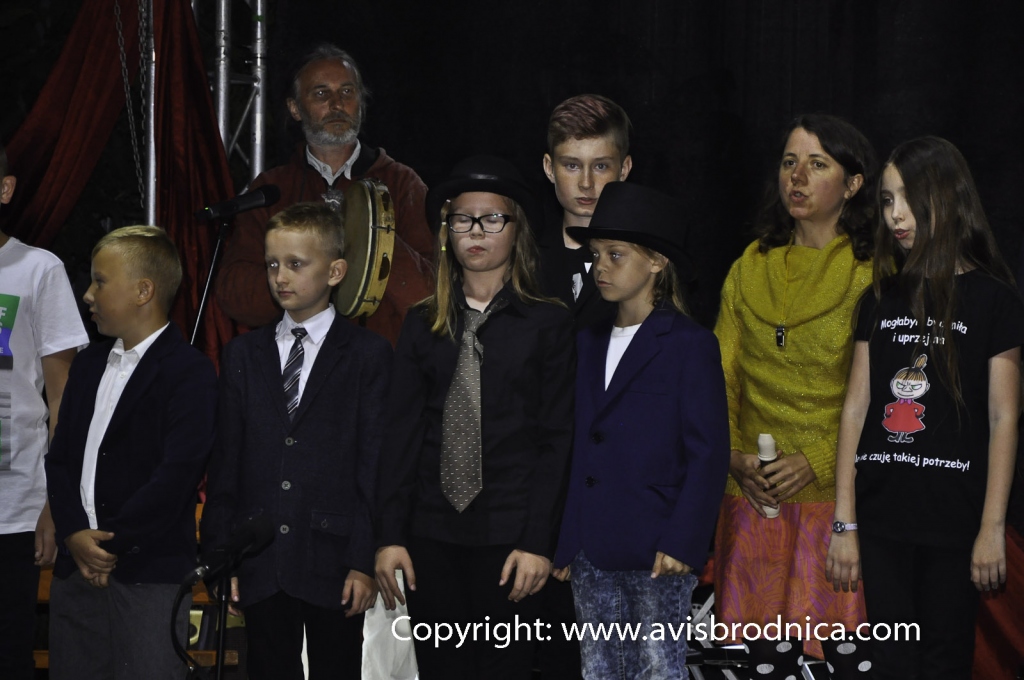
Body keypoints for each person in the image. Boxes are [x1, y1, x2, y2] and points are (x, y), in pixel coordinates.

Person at [826, 136, 1024, 679]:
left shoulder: (995, 301)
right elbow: (855, 410)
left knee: (944, 663)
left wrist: (991, 527)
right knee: (892, 662)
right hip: (882, 523)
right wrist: (845, 523)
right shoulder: (879, 299)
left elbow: (1005, 418)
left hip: (954, 526)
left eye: (908, 199)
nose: (895, 215)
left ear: (947, 197)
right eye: (888, 200)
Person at [374, 156, 575, 680]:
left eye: (492, 219)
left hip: (510, 539)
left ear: (517, 230)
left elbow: (556, 442)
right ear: (446, 233)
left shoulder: (548, 323)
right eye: (463, 219)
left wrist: (537, 543)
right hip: (431, 538)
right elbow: (400, 435)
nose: (477, 231)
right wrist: (390, 536)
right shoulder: (422, 323)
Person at [713, 114, 876, 679]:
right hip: (754, 501)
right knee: (762, 664)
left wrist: (819, 459)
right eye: (788, 163)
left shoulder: (875, 275)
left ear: (853, 184)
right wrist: (734, 458)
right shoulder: (748, 267)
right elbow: (719, 379)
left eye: (816, 164)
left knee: (841, 664)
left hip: (838, 504)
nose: (797, 177)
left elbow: (890, 400)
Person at [203, 203, 391, 680]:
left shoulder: (368, 354)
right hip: (260, 556)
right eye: (272, 264)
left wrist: (363, 560)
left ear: (335, 271)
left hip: (334, 558)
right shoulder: (243, 354)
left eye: (295, 264)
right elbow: (226, 464)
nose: (280, 277)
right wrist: (223, 557)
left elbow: (374, 465)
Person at [552, 181, 730, 679]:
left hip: (657, 546)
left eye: (615, 255)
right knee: (598, 668)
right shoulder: (586, 341)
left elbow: (708, 453)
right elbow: (579, 447)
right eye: (595, 255)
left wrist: (684, 541)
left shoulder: (690, 344)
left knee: (656, 668)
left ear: (657, 261)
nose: (600, 267)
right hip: (590, 548)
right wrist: (567, 540)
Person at [44, 225, 217, 680]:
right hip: (76, 570)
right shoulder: (87, 364)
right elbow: (59, 460)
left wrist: (108, 546)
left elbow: (176, 476)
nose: (88, 294)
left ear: (144, 291)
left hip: (149, 574)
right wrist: (75, 534)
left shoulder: (189, 372)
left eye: (100, 281)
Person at [216, 44, 433, 345]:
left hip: (378, 361)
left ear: (361, 103)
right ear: (295, 108)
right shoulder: (272, 189)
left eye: (347, 92)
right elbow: (235, 294)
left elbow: (430, 295)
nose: (336, 104)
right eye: (321, 93)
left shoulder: (401, 183)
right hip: (294, 360)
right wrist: (305, 271)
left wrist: (373, 242)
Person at [0, 143, 89, 680]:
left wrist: (54, 505)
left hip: (13, 510)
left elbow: (64, 401)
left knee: (9, 656)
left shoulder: (38, 269)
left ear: (4, 189)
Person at [540, 94, 633, 331]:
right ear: (549, 168)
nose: (586, 183)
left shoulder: (644, 261)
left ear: (623, 169)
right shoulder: (523, 255)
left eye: (600, 166)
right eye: (572, 165)